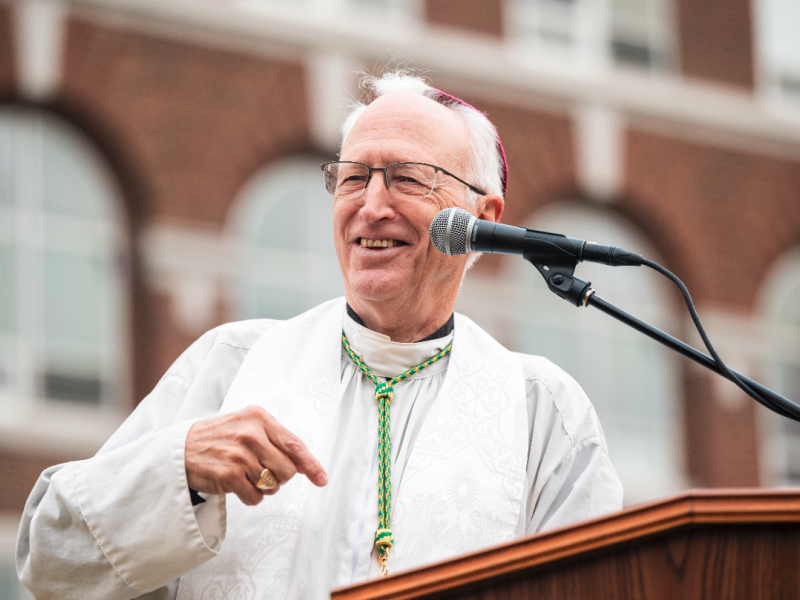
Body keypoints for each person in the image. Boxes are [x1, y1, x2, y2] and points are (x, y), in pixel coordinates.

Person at [16, 72, 622, 600]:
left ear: (482, 222)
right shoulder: (231, 364)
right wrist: (180, 469)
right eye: (353, 178)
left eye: (407, 178)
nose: (371, 205)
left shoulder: (543, 410)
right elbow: (50, 561)